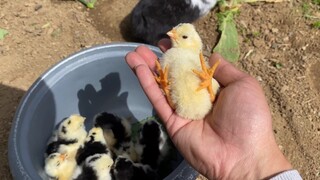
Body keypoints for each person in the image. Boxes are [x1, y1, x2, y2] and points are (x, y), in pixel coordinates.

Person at [125, 39, 302, 180]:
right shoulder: (184, 59)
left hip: (195, 110)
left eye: (183, 36)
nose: (172, 34)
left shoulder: (189, 59)